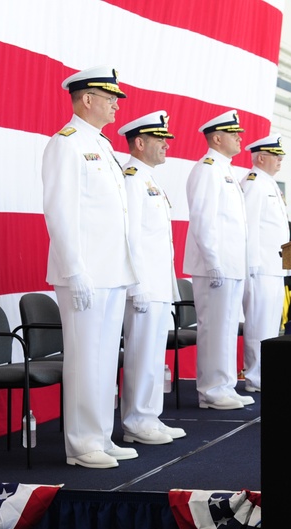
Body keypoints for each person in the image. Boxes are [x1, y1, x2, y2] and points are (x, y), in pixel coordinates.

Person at [41, 66, 138, 469]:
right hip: (85, 273)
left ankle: (100, 434)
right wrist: (75, 269)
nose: (116, 104)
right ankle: (81, 443)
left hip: (111, 271)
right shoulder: (66, 144)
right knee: (84, 356)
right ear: (86, 99)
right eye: (110, 96)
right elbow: (59, 212)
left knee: (103, 358)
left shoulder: (101, 145)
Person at [117, 111, 186, 445]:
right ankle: (135, 422)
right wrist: (137, 285)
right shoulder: (131, 178)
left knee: (154, 356)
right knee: (141, 355)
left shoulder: (149, 178)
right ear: (140, 143)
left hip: (159, 284)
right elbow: (129, 237)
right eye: (159, 140)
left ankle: (150, 417)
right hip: (144, 286)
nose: (165, 146)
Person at [184, 110, 254, 410]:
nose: (240, 138)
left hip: (231, 265)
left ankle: (224, 385)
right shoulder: (207, 169)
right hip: (216, 266)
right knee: (214, 327)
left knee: (227, 327)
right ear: (216, 137)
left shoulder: (225, 170)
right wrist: (213, 261)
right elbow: (203, 220)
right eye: (233, 133)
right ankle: (211, 389)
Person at [240, 134, 291, 393]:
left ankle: (265, 373)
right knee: (259, 324)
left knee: (271, 326)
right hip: (259, 267)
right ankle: (254, 376)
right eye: (276, 155)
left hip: (274, 266)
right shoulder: (254, 183)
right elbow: (248, 227)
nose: (280, 160)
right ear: (261, 158)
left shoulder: (269, 183)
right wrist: (252, 264)